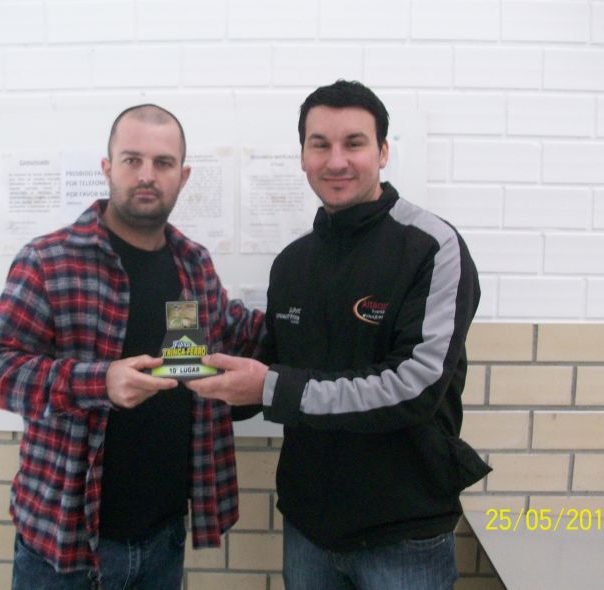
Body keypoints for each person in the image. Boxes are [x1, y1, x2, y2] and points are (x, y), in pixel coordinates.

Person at [187, 80, 491, 590]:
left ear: (383, 152)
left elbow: (414, 387)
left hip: (403, 532)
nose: (336, 161)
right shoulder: (292, 263)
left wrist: (268, 386)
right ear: (302, 156)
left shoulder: (432, 247)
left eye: (354, 143)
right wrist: (202, 376)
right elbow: (274, 371)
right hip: (310, 528)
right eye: (320, 144)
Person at [0, 104, 263, 589]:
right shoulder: (50, 260)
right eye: (132, 160)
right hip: (66, 545)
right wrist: (99, 382)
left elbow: (236, 332)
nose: (147, 175)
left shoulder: (193, 264)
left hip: (163, 539)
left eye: (163, 163)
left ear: (183, 176)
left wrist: (313, 309)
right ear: (107, 168)